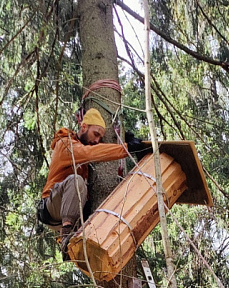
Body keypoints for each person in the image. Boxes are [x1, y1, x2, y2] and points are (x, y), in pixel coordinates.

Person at [37, 108, 151, 258]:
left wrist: (128, 144)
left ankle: (76, 241)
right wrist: (126, 148)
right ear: (84, 127)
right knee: (77, 180)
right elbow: (89, 152)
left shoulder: (85, 154)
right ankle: (66, 238)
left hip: (71, 210)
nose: (97, 140)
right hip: (51, 207)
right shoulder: (65, 144)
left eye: (100, 138)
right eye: (95, 134)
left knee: (84, 189)